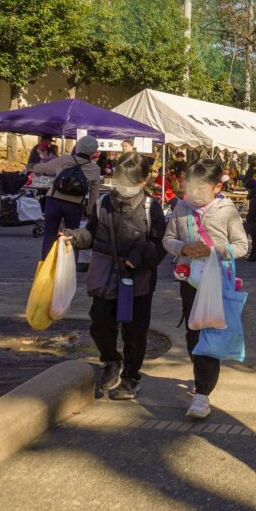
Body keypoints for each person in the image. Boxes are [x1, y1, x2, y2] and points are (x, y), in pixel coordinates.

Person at [62, 152, 167, 400]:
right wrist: (73, 237)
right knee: (100, 322)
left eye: (131, 181)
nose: (124, 186)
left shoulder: (152, 208)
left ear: (143, 181)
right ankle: (111, 360)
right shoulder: (103, 204)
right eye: (121, 178)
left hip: (137, 278)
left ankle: (131, 377)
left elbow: (160, 244)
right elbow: (91, 233)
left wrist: (139, 257)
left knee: (134, 330)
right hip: (105, 274)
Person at [164, 159, 249, 419]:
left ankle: (202, 394)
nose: (194, 194)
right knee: (193, 333)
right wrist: (183, 249)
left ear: (215, 187)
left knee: (209, 334)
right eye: (190, 188)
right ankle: (201, 379)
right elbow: (167, 239)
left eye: (201, 189)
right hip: (190, 282)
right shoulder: (181, 207)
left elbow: (242, 247)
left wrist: (213, 251)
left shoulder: (226, 210)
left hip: (217, 283)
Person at [32, 135, 103, 257]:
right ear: (93, 151)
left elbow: (44, 168)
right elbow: (94, 192)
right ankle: (69, 269)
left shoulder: (65, 160)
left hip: (54, 201)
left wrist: (34, 168)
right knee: (72, 237)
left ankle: (46, 267)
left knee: (50, 234)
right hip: (75, 205)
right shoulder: (95, 169)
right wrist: (90, 210)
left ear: (78, 146)